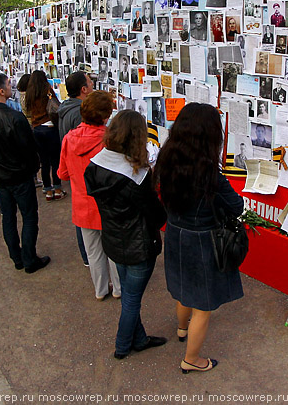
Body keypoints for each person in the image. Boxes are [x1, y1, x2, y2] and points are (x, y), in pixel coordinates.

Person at [154, 103, 244, 374]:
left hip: (175, 234)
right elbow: (236, 207)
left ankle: (182, 328)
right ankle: (191, 359)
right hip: (203, 242)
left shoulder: (166, 159)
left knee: (183, 288)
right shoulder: (209, 174)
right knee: (203, 307)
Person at [85, 110, 168, 359]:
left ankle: (139, 339)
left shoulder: (95, 165)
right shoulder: (137, 177)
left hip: (113, 239)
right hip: (139, 245)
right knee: (132, 299)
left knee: (130, 296)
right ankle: (122, 346)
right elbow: (158, 215)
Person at [0, 72, 51, 274]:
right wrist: (31, 169)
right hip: (19, 177)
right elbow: (28, 148)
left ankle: (18, 257)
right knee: (28, 217)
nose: (12, 86)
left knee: (8, 217)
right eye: (9, 84)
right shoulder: (14, 118)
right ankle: (28, 259)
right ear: (2, 91)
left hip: (1, 177)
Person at [59, 91, 121, 300]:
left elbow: (63, 173)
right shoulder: (110, 139)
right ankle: (119, 289)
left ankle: (100, 289)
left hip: (82, 204)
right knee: (113, 249)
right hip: (108, 204)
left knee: (93, 252)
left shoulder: (69, 138)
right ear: (105, 116)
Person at [25, 70, 65, 201]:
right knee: (55, 160)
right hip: (50, 127)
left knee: (44, 161)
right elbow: (55, 104)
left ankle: (48, 190)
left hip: (37, 129)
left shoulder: (29, 93)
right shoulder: (47, 90)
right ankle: (58, 189)